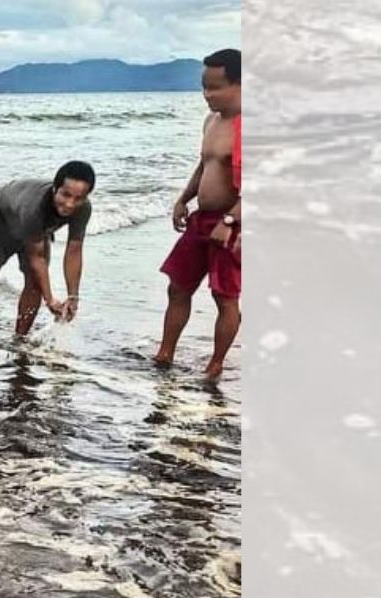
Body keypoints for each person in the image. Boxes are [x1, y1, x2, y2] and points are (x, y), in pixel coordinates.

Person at [156, 48, 242, 382]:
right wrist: (183, 198)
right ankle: (165, 353)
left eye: (216, 87)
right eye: (204, 86)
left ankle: (216, 364)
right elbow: (204, 165)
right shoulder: (211, 121)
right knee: (178, 287)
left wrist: (231, 220)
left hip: (232, 224)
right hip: (201, 220)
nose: (208, 95)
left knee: (225, 296)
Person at [0, 161, 94, 336]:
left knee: (35, 284)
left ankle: (20, 338)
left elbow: (74, 250)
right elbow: (36, 258)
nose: (70, 204)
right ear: (55, 188)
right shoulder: (33, 207)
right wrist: (50, 300)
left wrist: (73, 297)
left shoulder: (83, 209)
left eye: (78, 198)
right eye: (65, 195)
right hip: (1, 219)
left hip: (37, 230)